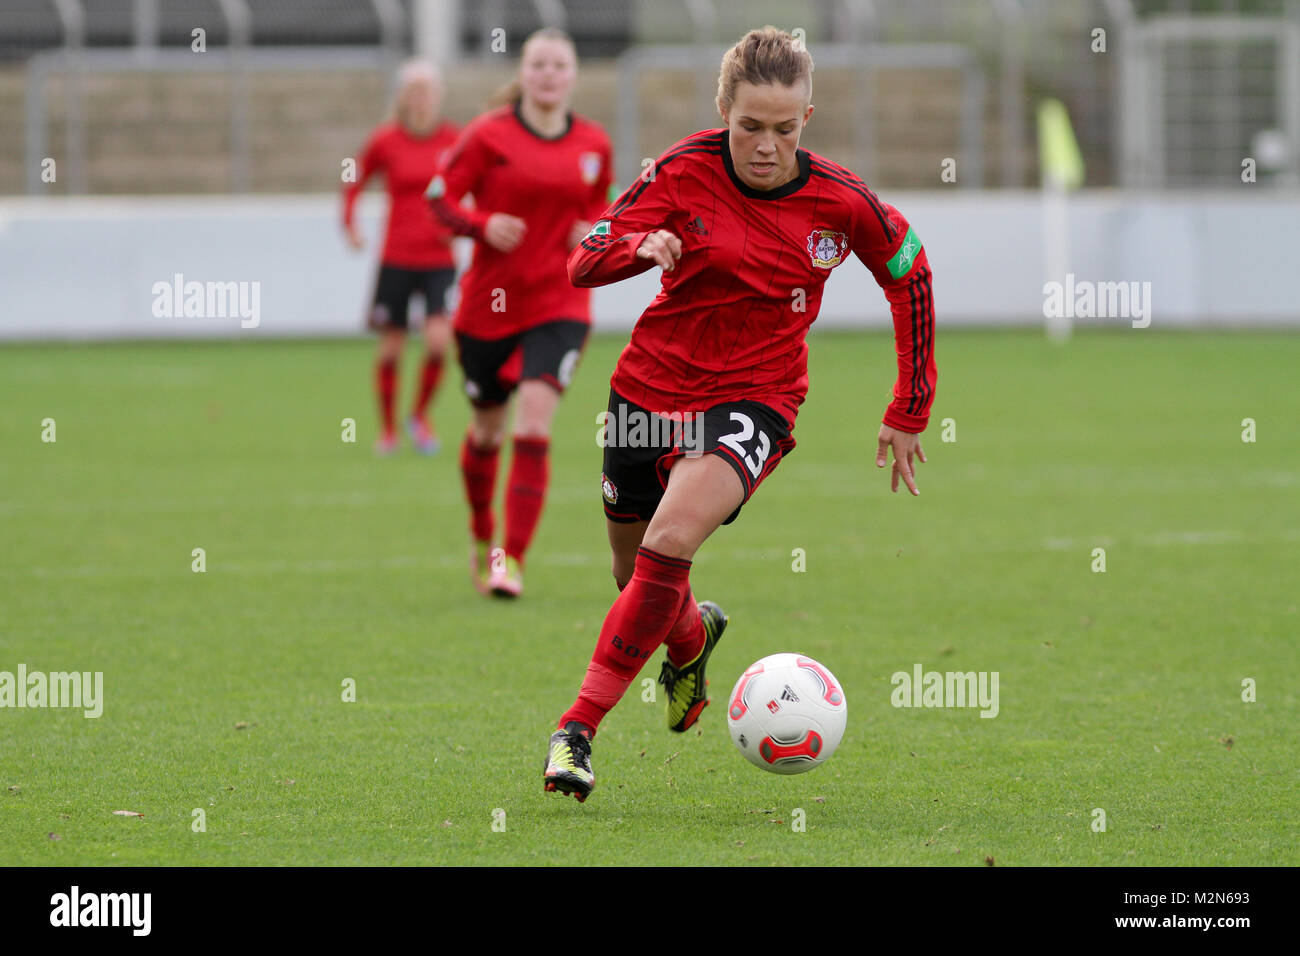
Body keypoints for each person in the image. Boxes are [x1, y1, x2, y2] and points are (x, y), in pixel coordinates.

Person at [542, 26, 937, 801]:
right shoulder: (679, 172)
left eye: (784, 129)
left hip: (756, 397)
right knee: (635, 578)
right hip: (646, 394)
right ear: (724, 109)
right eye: (749, 126)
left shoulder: (840, 199)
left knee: (671, 537)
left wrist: (910, 407)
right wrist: (638, 249)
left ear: (806, 120)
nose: (765, 145)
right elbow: (585, 255)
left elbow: (909, 272)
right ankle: (691, 641)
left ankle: (577, 729)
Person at [427, 28, 612, 597]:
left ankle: (511, 562)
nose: (549, 74)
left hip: (560, 303)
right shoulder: (488, 135)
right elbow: (439, 197)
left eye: (560, 64)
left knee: (533, 422)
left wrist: (595, 232)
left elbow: (605, 211)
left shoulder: (593, 144)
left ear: (573, 74)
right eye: (539, 64)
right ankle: (483, 534)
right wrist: (484, 224)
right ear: (525, 74)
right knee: (487, 433)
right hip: (488, 309)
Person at [343, 59, 459, 456]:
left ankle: (420, 416)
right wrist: (350, 223)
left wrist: (461, 223)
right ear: (403, 96)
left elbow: (472, 188)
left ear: (438, 95)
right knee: (391, 347)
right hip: (396, 258)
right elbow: (353, 178)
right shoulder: (385, 140)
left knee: (439, 342)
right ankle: (388, 431)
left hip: (439, 261)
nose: (421, 97)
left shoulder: (454, 141)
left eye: (427, 89)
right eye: (414, 90)